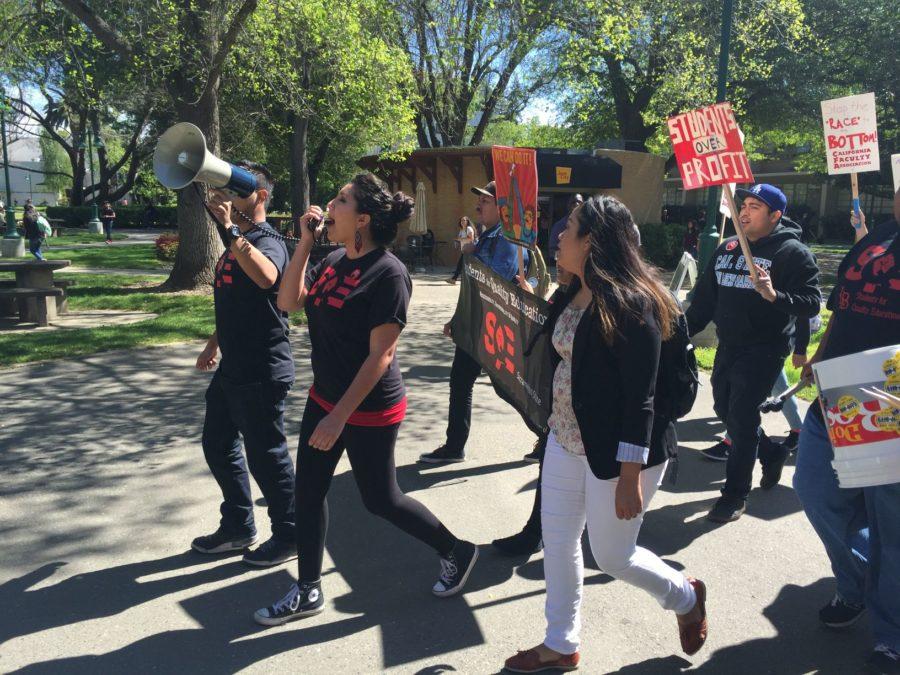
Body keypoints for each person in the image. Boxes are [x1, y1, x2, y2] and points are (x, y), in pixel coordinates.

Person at [255, 173, 478, 626]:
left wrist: (339, 417)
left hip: (370, 407)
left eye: (340, 201)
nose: (329, 206)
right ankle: (308, 588)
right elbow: (287, 301)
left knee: (381, 499)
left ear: (362, 219)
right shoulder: (334, 258)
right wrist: (303, 244)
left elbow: (383, 354)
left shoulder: (389, 274)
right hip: (327, 396)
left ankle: (456, 549)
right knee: (308, 490)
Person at [503, 196, 707, 673]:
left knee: (613, 556)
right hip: (565, 441)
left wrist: (629, 474)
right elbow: (561, 353)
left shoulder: (634, 304)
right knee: (557, 542)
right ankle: (561, 643)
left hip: (621, 455)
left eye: (568, 228)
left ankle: (684, 595)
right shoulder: (570, 290)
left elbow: (643, 398)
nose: (558, 237)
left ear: (591, 240)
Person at [793, 193, 900, 675]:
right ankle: (858, 583)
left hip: (892, 407)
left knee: (891, 527)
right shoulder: (873, 241)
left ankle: (891, 636)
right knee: (814, 491)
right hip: (838, 398)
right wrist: (819, 355)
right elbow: (844, 308)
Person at [686, 184, 821, 523]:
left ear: (775, 215)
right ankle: (772, 452)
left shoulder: (793, 253)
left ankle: (734, 496)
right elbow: (703, 302)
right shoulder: (728, 248)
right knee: (724, 409)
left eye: (755, 207)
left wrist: (775, 295)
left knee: (742, 419)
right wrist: (674, 335)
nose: (743, 212)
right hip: (728, 345)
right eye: (743, 204)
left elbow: (811, 304)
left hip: (764, 349)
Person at [191, 161, 297, 568]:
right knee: (218, 444)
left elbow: (268, 277)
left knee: (266, 456)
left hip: (262, 368)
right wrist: (214, 342)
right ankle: (238, 525)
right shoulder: (238, 238)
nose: (230, 199)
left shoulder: (267, 239)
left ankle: (290, 534)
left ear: (261, 197)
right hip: (233, 365)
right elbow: (237, 298)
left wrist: (232, 230)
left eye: (238, 191)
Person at [419, 181, 535, 464]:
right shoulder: (488, 237)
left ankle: (547, 434)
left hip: (494, 327)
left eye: (484, 201)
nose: (477, 206)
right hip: (478, 324)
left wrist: (472, 256)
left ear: (501, 207)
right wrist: (458, 319)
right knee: (462, 381)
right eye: (480, 201)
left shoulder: (508, 240)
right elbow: (474, 287)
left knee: (508, 387)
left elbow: (492, 285)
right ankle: (455, 445)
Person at [701, 313, 815, 460]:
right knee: (777, 386)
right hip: (751, 339)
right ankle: (799, 431)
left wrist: (801, 347)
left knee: (745, 390)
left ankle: (733, 442)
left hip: (774, 341)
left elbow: (803, 309)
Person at [548, 194, 584, 262]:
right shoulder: (559, 226)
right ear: (568, 206)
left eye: (579, 202)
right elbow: (552, 251)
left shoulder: (588, 225)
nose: (576, 204)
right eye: (573, 203)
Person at [446, 215, 476, 284]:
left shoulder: (469, 228)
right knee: (464, 266)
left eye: (464, 220)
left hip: (469, 250)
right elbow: (460, 239)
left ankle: (454, 279)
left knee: (461, 265)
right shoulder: (462, 230)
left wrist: (460, 239)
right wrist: (457, 240)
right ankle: (456, 279)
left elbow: (471, 239)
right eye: (462, 220)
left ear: (467, 221)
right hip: (464, 250)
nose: (463, 222)